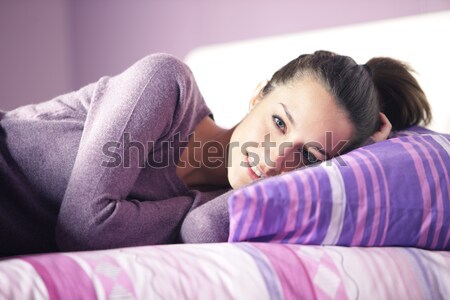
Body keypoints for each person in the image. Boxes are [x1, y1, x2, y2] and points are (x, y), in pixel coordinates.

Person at [0, 51, 431, 256]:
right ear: (257, 95)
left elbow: (201, 231)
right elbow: (84, 231)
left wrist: (363, 155)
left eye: (310, 157)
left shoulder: (220, 207)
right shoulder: (166, 86)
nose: (276, 158)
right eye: (279, 123)